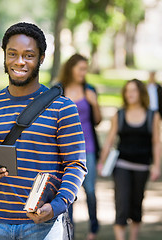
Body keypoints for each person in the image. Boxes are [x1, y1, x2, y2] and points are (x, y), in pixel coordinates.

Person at [0, 22, 87, 240]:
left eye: (28, 55)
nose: (19, 61)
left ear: (41, 58)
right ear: (4, 56)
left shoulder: (63, 108)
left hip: (43, 226)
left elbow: (76, 164)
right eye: (12, 54)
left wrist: (58, 205)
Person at [97, 79, 162, 240]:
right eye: (127, 91)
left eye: (133, 90)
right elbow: (110, 140)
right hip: (121, 165)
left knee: (136, 205)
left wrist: (157, 165)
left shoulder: (152, 115)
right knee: (122, 205)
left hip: (142, 167)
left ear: (141, 93)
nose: (130, 94)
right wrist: (101, 162)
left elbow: (157, 142)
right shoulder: (119, 114)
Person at [57, 53, 102, 240]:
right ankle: (70, 231)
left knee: (90, 190)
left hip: (88, 147)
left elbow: (98, 121)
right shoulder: (58, 90)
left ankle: (93, 228)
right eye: (81, 69)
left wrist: (94, 103)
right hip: (64, 150)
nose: (84, 73)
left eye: (86, 69)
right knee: (69, 192)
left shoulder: (89, 89)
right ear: (71, 68)